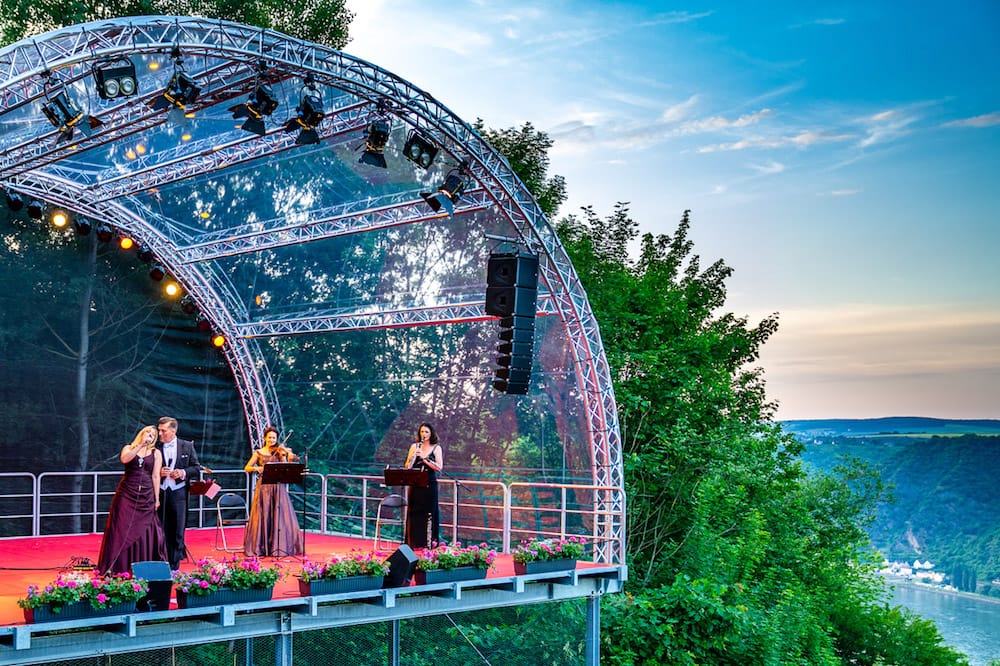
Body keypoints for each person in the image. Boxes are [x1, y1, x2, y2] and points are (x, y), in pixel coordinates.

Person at [97, 426, 169, 575]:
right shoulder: (128, 448)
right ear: (142, 434)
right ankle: (117, 567)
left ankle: (145, 565)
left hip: (147, 493)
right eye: (148, 432)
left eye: (153, 435)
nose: (151, 435)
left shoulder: (156, 453)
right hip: (127, 493)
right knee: (121, 527)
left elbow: (156, 476)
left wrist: (157, 498)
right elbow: (125, 459)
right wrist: (141, 445)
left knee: (148, 528)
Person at [243, 426, 304, 557]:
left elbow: (286, 464)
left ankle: (279, 546)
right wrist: (257, 468)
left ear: (277, 439)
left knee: (280, 514)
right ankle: (262, 547)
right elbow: (247, 467)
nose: (272, 440)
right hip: (264, 487)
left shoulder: (280, 451)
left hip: (277, 486)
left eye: (274, 438)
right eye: (269, 437)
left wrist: (286, 457)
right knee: (263, 513)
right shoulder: (258, 452)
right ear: (265, 438)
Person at [156, 416, 201, 570]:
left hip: (179, 493)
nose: (160, 434)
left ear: (173, 430)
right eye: (159, 430)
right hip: (160, 493)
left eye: (163, 430)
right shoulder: (155, 446)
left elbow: (196, 468)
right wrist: (158, 472)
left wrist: (182, 472)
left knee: (177, 529)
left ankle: (174, 566)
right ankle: (159, 562)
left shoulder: (186, 446)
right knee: (159, 529)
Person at [403, 422, 443, 549]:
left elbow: (439, 467)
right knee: (414, 513)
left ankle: (430, 543)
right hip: (415, 484)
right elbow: (407, 466)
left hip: (429, 485)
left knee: (429, 513)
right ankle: (412, 543)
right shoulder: (414, 446)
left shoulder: (436, 448)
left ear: (431, 433)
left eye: (426, 432)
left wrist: (425, 459)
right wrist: (414, 457)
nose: (423, 434)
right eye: (421, 432)